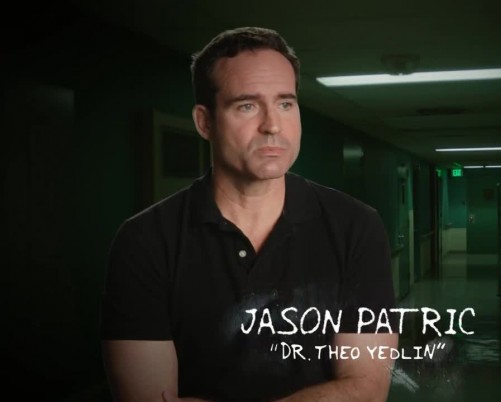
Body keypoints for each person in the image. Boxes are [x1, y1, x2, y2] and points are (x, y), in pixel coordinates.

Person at [100, 27, 398, 402]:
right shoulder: (145, 240)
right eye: (247, 105)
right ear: (204, 122)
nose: (272, 124)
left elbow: (367, 388)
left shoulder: (356, 227)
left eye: (285, 104)